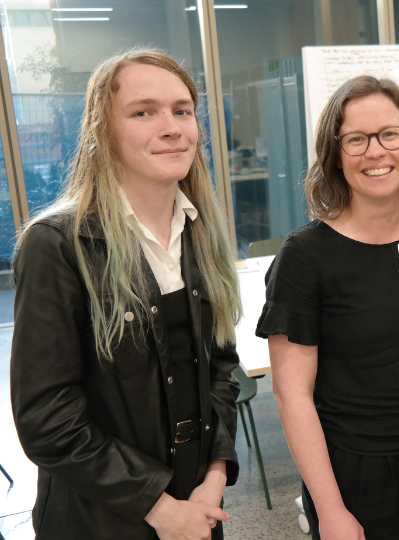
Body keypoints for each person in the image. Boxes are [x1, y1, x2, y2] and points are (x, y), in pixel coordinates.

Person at [10, 50, 242, 540]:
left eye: (182, 110)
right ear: (103, 132)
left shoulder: (199, 232)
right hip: (102, 521)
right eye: (143, 112)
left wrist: (214, 480)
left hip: (196, 509)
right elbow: (48, 420)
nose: (172, 126)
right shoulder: (58, 245)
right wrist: (159, 508)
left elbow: (222, 367)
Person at [256, 75, 399, 540]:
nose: (375, 152)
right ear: (335, 155)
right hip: (359, 473)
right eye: (355, 139)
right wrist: (331, 509)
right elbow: (292, 396)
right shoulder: (305, 257)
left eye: (389, 135)